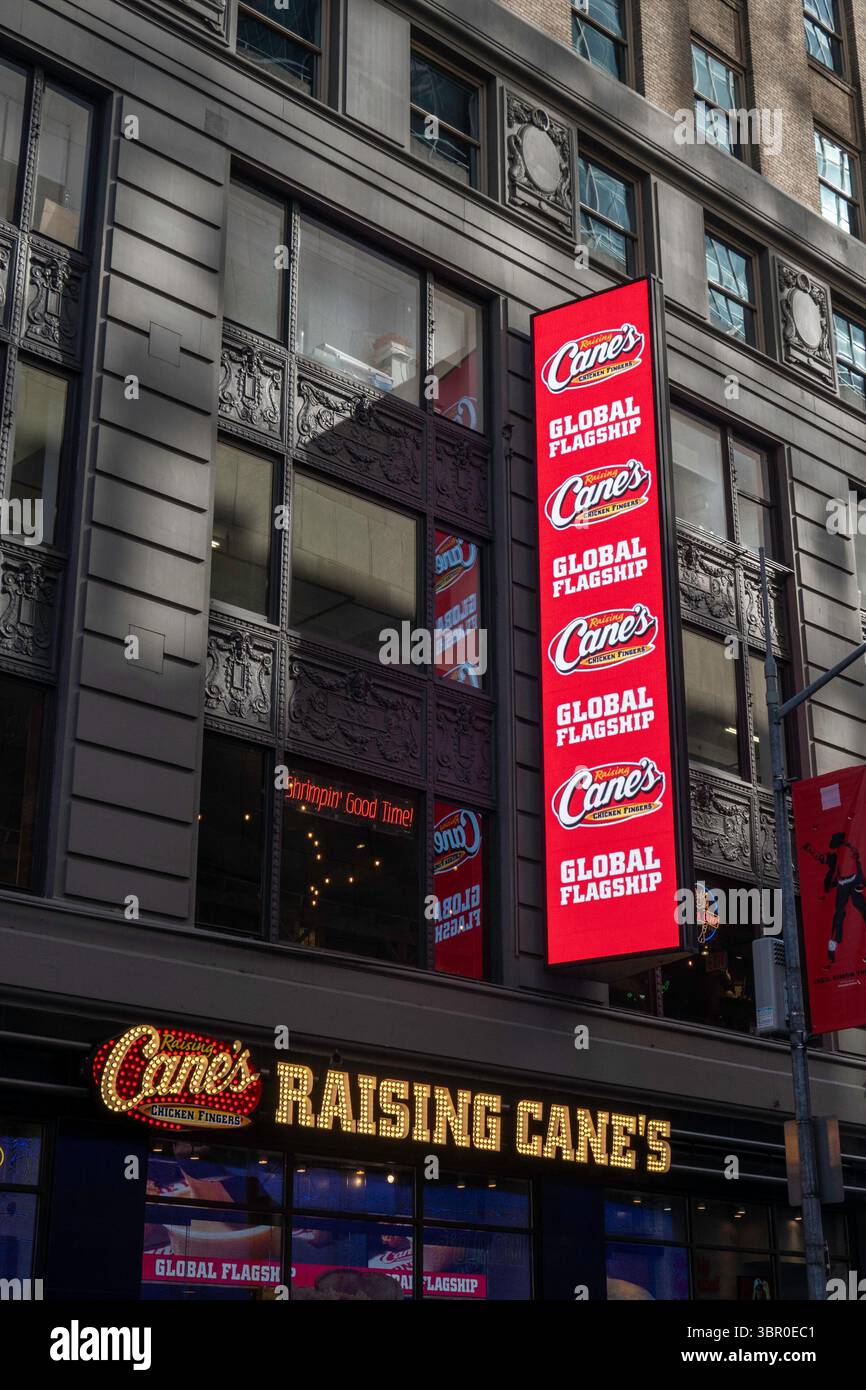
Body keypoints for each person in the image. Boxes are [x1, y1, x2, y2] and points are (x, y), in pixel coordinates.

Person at [805, 833, 866, 965]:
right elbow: (823, 858)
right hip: (845, 884)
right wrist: (811, 850)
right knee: (840, 915)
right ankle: (832, 946)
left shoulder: (848, 851)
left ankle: (833, 945)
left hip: (851, 882)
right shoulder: (842, 853)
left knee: (854, 910)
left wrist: (810, 850)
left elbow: (823, 858)